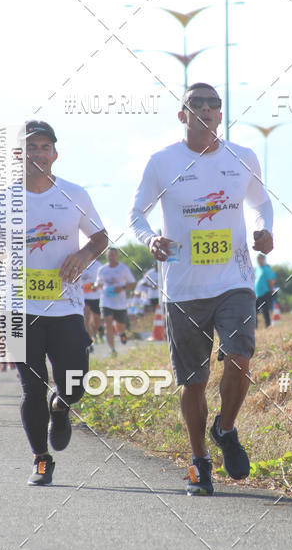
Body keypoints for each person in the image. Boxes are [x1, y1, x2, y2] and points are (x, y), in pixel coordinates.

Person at [129, 82, 273, 496]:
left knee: (240, 357)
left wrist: (265, 229)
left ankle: (225, 428)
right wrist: (150, 240)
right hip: (183, 288)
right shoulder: (162, 162)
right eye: (197, 104)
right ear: (183, 115)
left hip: (234, 281)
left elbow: (261, 203)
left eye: (214, 104)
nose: (206, 109)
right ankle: (199, 461)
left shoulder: (242, 157)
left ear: (220, 114)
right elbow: (136, 214)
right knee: (193, 382)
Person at [0, 121, 107, 485]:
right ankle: (41, 460)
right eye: (31, 147)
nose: (39, 153)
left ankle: (61, 407)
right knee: (32, 387)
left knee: (75, 381)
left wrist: (83, 255)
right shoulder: (2, 200)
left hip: (65, 306)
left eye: (45, 147)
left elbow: (100, 237)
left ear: (55, 154)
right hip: (17, 308)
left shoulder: (74, 194)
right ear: (19, 155)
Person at [96, 248, 136, 355]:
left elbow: (132, 283)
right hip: (106, 301)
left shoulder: (123, 268)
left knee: (120, 326)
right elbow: (98, 283)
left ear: (117, 255)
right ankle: (112, 349)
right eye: (109, 255)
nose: (111, 257)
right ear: (106, 256)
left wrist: (122, 288)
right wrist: (96, 286)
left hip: (120, 303)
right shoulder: (102, 270)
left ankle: (122, 334)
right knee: (108, 322)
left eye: (113, 255)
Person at [81, 259, 102, 346]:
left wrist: (96, 286)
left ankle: (96, 332)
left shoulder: (98, 265)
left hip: (96, 296)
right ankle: (89, 337)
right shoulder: (79, 263)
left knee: (96, 319)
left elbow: (102, 281)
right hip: (83, 296)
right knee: (86, 316)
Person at [254, 253, 275, 328]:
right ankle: (255, 326)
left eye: (260, 259)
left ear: (263, 259)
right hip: (257, 294)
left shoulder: (266, 269)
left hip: (265, 292)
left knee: (265, 310)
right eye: (257, 259)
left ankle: (268, 325)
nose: (258, 260)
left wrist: (271, 290)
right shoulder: (257, 269)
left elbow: (271, 281)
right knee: (253, 310)